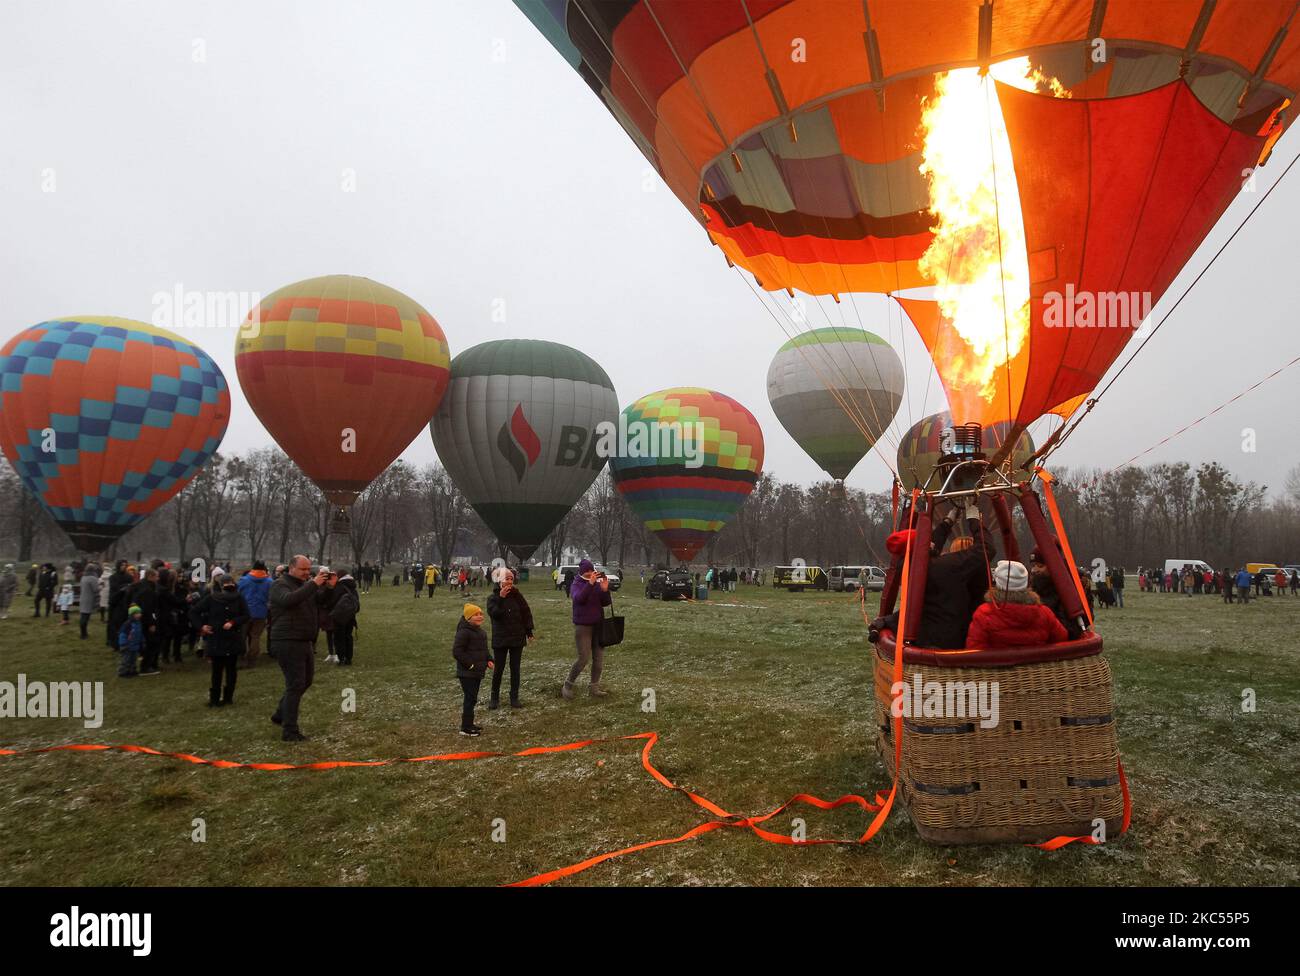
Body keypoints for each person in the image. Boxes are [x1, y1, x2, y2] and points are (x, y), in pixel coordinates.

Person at [870, 501, 994, 650]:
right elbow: (986, 549)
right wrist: (975, 520)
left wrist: (947, 522)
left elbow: (926, 550)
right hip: (952, 640)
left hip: (922, 637)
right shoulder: (946, 567)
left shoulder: (906, 566)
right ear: (921, 548)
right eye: (927, 542)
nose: (932, 543)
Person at [268, 556, 327, 742]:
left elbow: (319, 601)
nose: (307, 573)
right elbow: (289, 601)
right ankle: (290, 731)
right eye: (303, 569)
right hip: (287, 639)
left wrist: (329, 587)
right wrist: (313, 584)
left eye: (309, 569)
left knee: (306, 681)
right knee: (295, 684)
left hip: (303, 639)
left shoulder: (306, 584)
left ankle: (280, 713)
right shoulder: (280, 585)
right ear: (291, 568)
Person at [965, 561, 1069, 649]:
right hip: (1037, 671)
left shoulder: (984, 613)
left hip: (998, 672)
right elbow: (1062, 639)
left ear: (998, 582)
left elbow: (974, 648)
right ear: (1025, 583)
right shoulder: (1044, 613)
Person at [191, 573, 250, 707]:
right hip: (216, 636)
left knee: (231, 669)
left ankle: (228, 697)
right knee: (217, 670)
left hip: (232, 637)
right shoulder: (212, 598)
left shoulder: (238, 598)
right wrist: (201, 626)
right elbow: (194, 611)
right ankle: (215, 699)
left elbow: (246, 615)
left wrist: (234, 622)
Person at [562, 559, 611, 699]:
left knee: (599, 660)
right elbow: (580, 599)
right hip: (583, 626)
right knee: (583, 658)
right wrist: (590, 584)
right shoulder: (576, 584)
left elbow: (606, 602)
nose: (591, 574)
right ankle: (568, 685)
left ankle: (594, 687)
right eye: (588, 572)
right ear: (583, 572)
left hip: (598, 626)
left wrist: (605, 589)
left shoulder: (596, 583)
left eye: (592, 571)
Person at [486, 568, 534, 709]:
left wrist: (529, 631)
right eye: (506, 578)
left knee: (515, 669)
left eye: (511, 579)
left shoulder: (517, 596)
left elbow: (526, 612)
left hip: (517, 638)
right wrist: (501, 598)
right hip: (501, 639)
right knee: (499, 669)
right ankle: (494, 698)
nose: (509, 581)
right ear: (500, 580)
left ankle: (514, 697)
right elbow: (495, 614)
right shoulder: (493, 598)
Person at [451, 603, 492, 736]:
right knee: (470, 698)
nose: (480, 617)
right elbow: (457, 651)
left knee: (472, 698)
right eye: (476, 615)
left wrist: (490, 660)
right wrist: (470, 665)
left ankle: (470, 723)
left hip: (477, 672)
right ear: (468, 618)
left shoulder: (481, 632)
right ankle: (465, 728)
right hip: (467, 672)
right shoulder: (464, 632)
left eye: (481, 614)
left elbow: (484, 650)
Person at [238, 561, 272, 668]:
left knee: (241, 636)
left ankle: (240, 658)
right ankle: (252, 659)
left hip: (245, 612)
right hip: (261, 613)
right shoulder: (270, 582)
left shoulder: (244, 580)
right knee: (255, 637)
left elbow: (238, 594)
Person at [127, 569, 162, 675]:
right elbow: (148, 608)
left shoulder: (139, 586)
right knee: (151, 643)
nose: (158, 579)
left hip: (137, 618)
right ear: (150, 576)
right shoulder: (148, 590)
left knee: (143, 643)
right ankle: (145, 667)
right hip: (145, 620)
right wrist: (151, 623)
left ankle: (138, 665)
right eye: (156, 576)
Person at [330, 574, 360, 665]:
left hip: (339, 617)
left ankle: (341, 658)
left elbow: (332, 601)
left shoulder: (339, 587)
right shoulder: (353, 588)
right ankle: (349, 658)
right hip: (350, 617)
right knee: (348, 636)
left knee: (339, 638)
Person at [117, 605, 145, 678]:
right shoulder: (128, 624)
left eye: (140, 613)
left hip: (135, 645)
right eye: (137, 613)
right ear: (132, 615)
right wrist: (123, 644)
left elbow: (140, 633)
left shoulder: (139, 623)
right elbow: (122, 634)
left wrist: (142, 641)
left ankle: (132, 671)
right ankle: (123, 672)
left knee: (133, 659)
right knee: (126, 660)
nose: (139, 615)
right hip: (127, 646)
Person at [77, 562, 100, 639]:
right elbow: (95, 589)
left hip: (83, 598)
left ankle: (84, 633)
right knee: (85, 618)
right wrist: (101, 586)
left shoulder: (83, 577)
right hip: (89, 600)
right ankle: (83, 634)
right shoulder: (92, 578)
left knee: (83, 616)